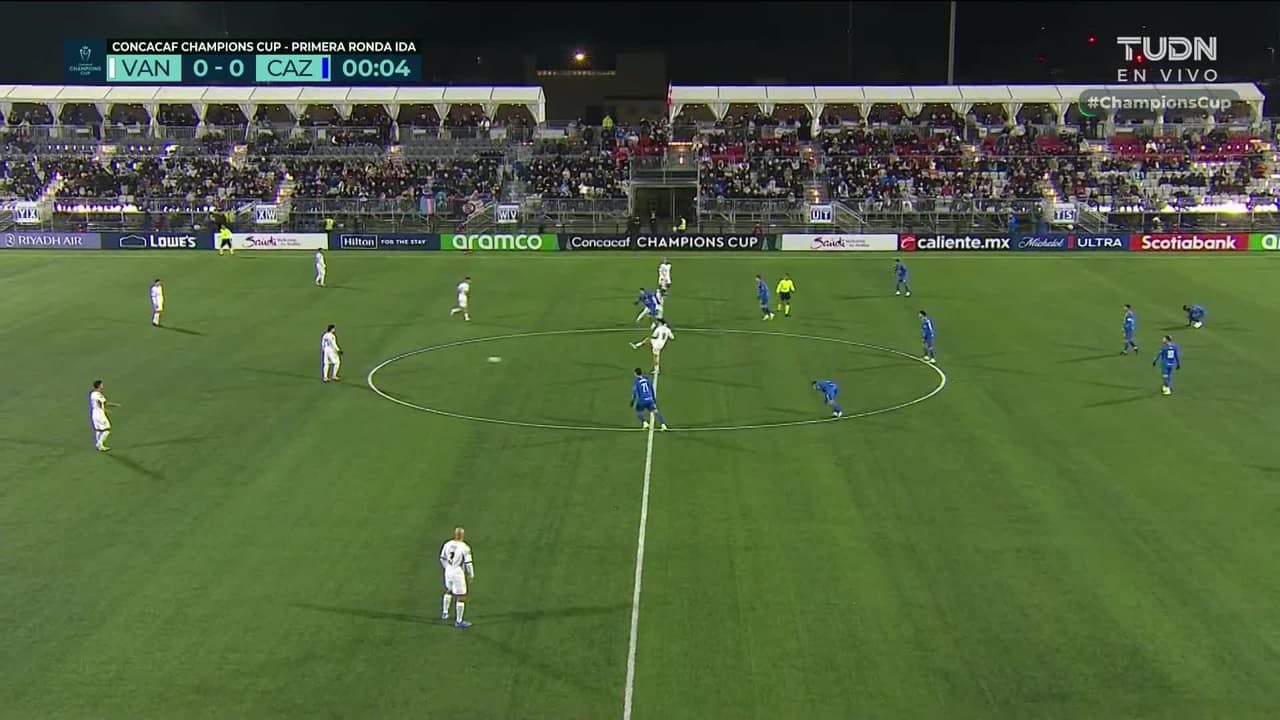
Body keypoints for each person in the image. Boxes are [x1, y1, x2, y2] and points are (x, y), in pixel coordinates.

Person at [439, 527, 475, 629]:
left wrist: (447, 568)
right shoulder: (464, 547)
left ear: (455, 534)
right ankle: (459, 621)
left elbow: (442, 558)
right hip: (457, 572)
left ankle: (445, 613)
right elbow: (468, 563)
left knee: (449, 590)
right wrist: (471, 574)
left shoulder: (447, 544)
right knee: (461, 596)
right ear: (462, 535)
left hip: (448, 570)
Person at [89, 380, 119, 452]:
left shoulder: (92, 394)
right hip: (99, 414)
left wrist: (105, 410)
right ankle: (99, 444)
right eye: (102, 385)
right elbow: (105, 403)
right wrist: (116, 405)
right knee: (107, 429)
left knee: (98, 430)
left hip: (94, 414)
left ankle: (99, 446)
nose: (103, 386)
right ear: (99, 386)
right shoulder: (98, 394)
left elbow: (98, 404)